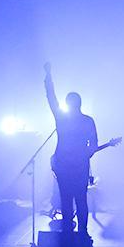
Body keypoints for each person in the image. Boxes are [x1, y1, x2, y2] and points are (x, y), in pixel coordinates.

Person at [43, 62, 98, 236]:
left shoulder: (62, 118)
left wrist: (48, 76)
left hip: (65, 166)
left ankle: (69, 233)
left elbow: (51, 98)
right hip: (78, 166)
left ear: (67, 104)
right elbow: (94, 145)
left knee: (67, 200)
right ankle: (83, 233)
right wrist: (85, 153)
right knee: (80, 200)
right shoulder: (87, 121)